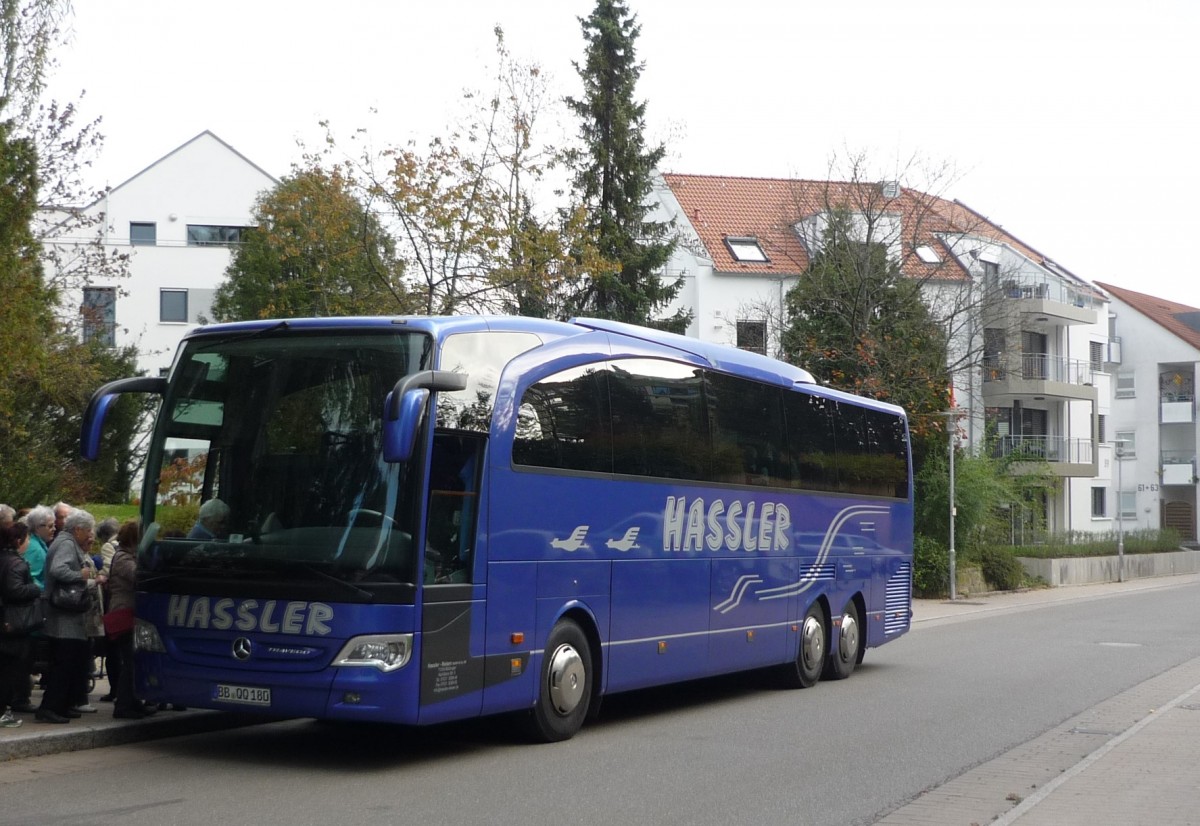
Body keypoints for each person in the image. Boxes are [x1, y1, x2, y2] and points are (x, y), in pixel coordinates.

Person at [37, 509, 103, 724]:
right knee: (64, 663)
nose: (90, 534)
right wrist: (80, 576)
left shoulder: (65, 541)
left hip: (65, 613)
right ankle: (50, 707)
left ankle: (62, 705)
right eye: (88, 530)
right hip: (64, 614)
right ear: (78, 529)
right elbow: (58, 570)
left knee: (67, 661)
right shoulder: (66, 543)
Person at [104, 519, 156, 719]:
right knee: (131, 662)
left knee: (135, 660)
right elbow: (137, 577)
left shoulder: (126, 556)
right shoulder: (124, 559)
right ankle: (124, 704)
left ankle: (133, 701)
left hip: (128, 613)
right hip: (124, 614)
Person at [0, 524, 42, 727]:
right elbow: (15, 590)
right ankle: (3, 711)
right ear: (18, 541)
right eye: (27, 540)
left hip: (4, 620)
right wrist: (34, 588)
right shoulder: (17, 563)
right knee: (10, 670)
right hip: (12, 624)